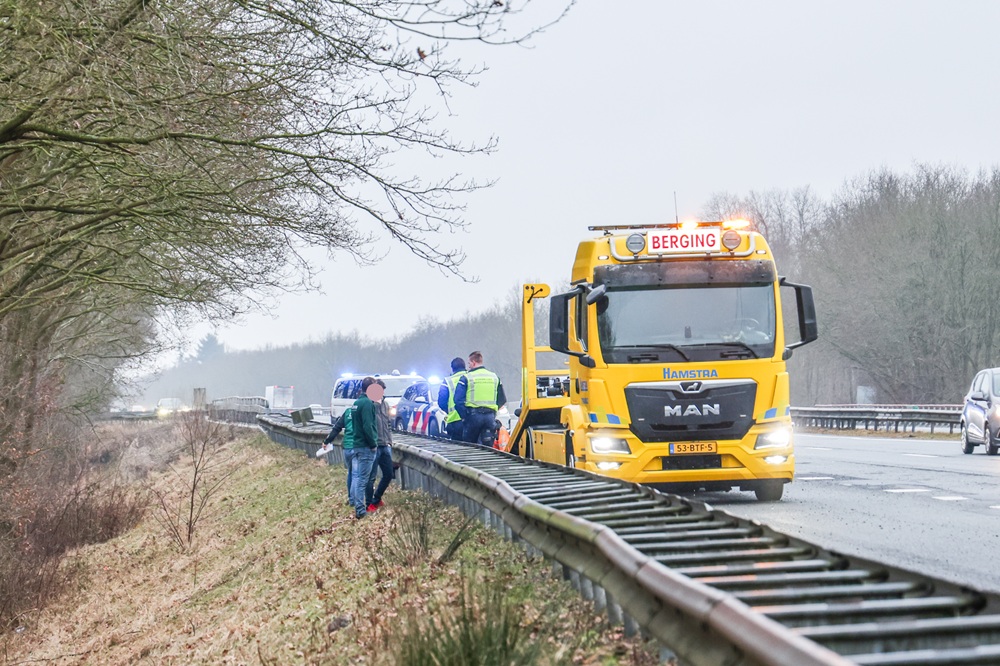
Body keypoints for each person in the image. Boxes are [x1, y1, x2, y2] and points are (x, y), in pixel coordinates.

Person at [454, 350, 506, 447]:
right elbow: (502, 399)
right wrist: (493, 411)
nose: (468, 366)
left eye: (469, 363)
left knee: (470, 447)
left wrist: (465, 416)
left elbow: (457, 400)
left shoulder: (466, 378)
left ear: (473, 362)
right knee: (488, 448)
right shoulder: (494, 377)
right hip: (490, 417)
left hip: (473, 417)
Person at [351, 377, 381, 519]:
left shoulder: (356, 403)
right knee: (363, 480)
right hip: (365, 447)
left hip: (356, 444)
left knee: (358, 478)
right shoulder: (368, 404)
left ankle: (358, 506)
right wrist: (373, 443)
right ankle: (360, 510)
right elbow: (368, 426)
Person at [317, 407, 357, 505]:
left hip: (347, 446)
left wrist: (327, 441)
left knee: (351, 472)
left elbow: (336, 428)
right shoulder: (365, 410)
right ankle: (355, 500)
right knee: (358, 474)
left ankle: (351, 498)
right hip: (359, 446)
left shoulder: (348, 412)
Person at [367, 378, 394, 510]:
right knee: (371, 476)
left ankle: (376, 498)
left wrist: (390, 441)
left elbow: (388, 423)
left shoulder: (386, 404)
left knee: (388, 474)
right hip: (374, 446)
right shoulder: (370, 405)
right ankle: (369, 503)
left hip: (385, 445)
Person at [437, 357, 467, 440]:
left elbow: (441, 402)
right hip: (471, 420)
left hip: (454, 421)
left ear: (452, 368)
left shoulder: (447, 381)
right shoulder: (471, 377)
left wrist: (449, 411)